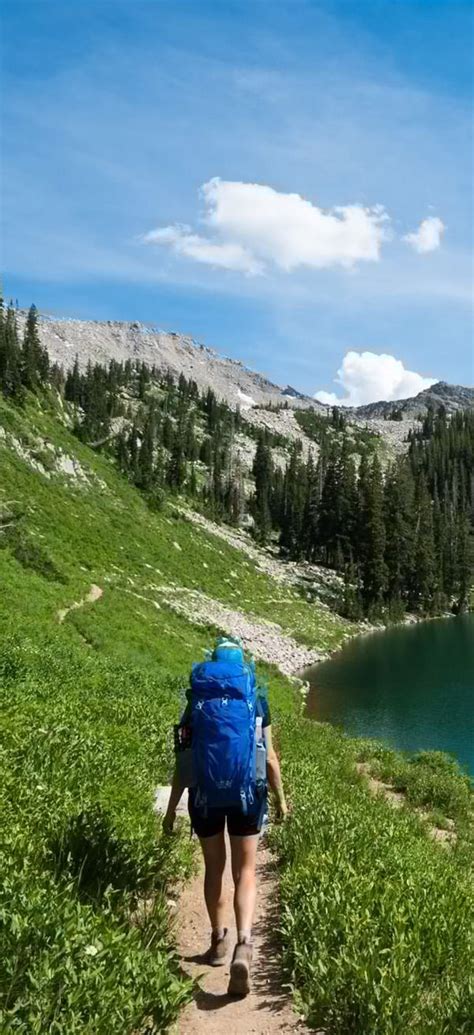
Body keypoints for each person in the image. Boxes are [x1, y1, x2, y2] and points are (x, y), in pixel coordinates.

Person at [163, 637, 288, 996]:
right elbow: (270, 757)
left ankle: (218, 941)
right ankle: (244, 945)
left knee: (214, 868)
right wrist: (280, 800)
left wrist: (171, 811)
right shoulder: (255, 699)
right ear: (241, 665)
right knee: (245, 871)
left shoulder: (196, 702)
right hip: (247, 796)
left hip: (204, 798)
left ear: (212, 664)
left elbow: (184, 764)